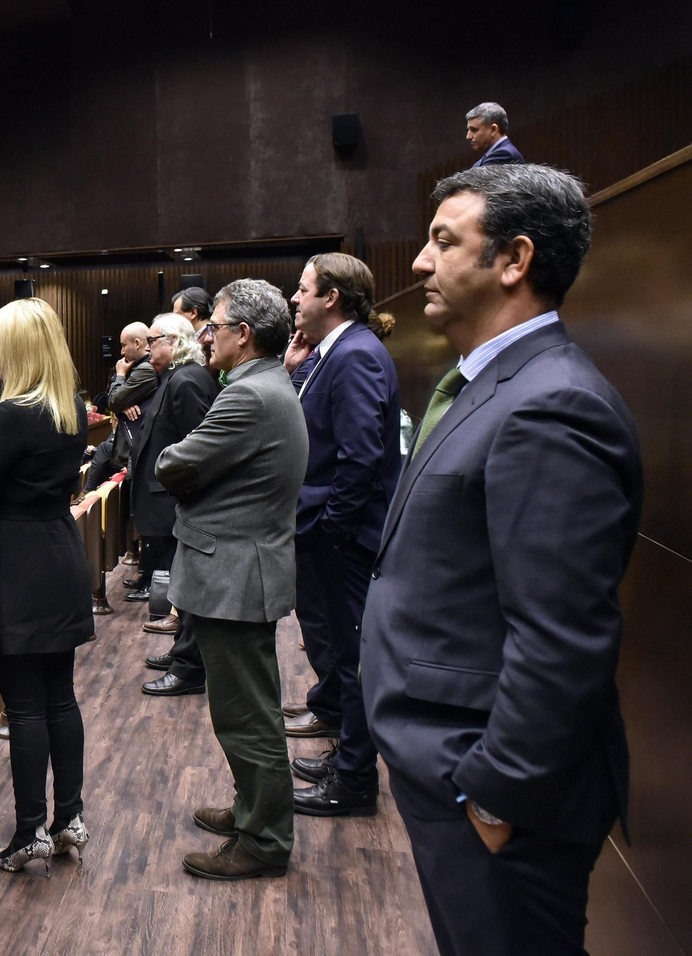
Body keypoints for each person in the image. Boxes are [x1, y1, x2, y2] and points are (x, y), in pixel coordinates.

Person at [362, 164, 641, 956]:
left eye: (444, 241)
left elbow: (562, 637)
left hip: (490, 792)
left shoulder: (552, 403)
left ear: (514, 261)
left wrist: (493, 801)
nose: (418, 262)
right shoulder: (490, 383)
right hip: (448, 765)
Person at [156, 279, 307, 881]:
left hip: (236, 574)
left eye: (213, 325)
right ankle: (253, 809)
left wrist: (183, 463)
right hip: (242, 569)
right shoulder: (264, 384)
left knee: (247, 715)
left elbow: (177, 464)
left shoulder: (248, 397)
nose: (204, 334)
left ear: (243, 334)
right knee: (249, 708)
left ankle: (265, 841)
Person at [0, 297, 93, 874]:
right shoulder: (74, 408)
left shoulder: (13, 413)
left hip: (19, 564)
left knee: (25, 707)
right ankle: (68, 822)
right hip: (61, 552)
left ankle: (28, 833)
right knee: (60, 696)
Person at [277, 254, 401, 816]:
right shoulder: (333, 355)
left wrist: (331, 530)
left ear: (331, 297)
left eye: (302, 290)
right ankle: (345, 759)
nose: (294, 299)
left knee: (353, 659)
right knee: (343, 655)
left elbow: (360, 458)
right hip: (333, 531)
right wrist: (295, 368)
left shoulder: (355, 356)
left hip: (345, 539)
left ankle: (353, 782)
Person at [124, 314, 218, 698]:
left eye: (153, 341)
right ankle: (183, 653)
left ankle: (189, 667)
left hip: (182, 503)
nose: (147, 350)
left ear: (176, 342)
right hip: (172, 500)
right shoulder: (173, 377)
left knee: (191, 588)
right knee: (183, 586)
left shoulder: (188, 379)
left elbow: (198, 448)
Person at [84, 322, 158, 492]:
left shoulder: (145, 369)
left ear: (137, 343)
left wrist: (120, 374)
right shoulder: (140, 366)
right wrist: (123, 406)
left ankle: (86, 494)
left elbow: (113, 401)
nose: (121, 352)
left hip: (136, 443)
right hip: (132, 441)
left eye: (124, 346)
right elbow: (118, 402)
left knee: (103, 451)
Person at [466, 102, 523, 166]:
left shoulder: (504, 154)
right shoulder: (493, 153)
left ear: (493, 130)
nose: (468, 136)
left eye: (474, 130)